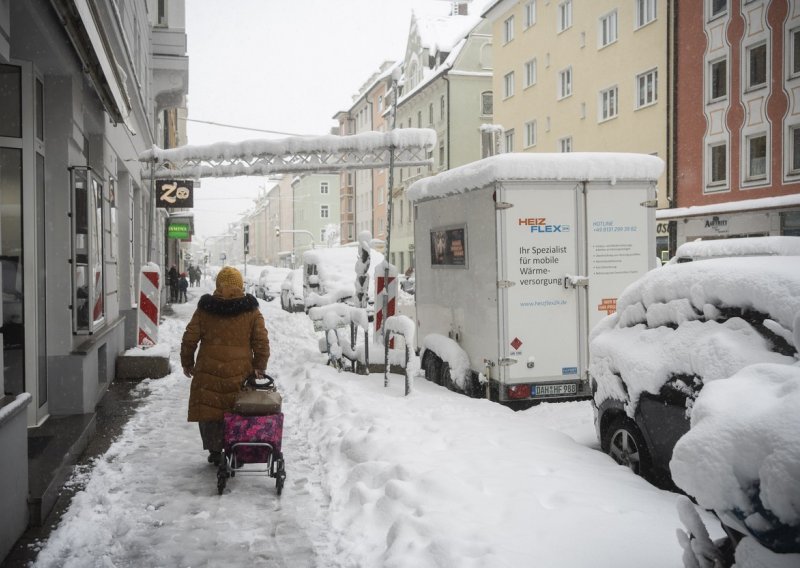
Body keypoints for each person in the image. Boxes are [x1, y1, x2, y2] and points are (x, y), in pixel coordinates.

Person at [180, 266, 270, 465]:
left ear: (218, 285)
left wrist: (187, 361)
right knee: (236, 409)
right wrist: (259, 366)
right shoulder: (251, 311)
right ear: (240, 285)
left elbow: (190, 337)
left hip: (208, 371)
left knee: (211, 411)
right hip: (240, 372)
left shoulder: (205, 309)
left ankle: (214, 449)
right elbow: (261, 341)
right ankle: (235, 446)